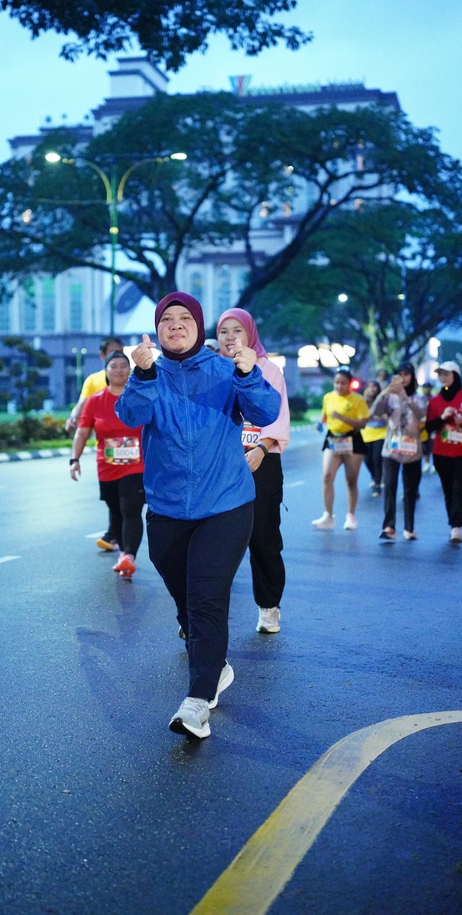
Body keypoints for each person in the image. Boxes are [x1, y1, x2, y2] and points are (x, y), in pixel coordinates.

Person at [116, 293, 280, 740]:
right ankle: (213, 660)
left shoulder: (226, 370)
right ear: (157, 330)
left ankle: (197, 701)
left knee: (206, 597)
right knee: (185, 597)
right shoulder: (150, 373)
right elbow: (130, 416)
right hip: (167, 507)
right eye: (166, 319)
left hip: (225, 503)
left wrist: (248, 374)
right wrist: (142, 374)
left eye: (184, 318)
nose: (175, 324)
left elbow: (267, 412)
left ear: (199, 325)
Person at [216, 308, 291, 635]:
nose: (230, 337)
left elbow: (278, 416)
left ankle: (269, 606)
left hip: (262, 462)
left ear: (250, 333)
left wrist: (261, 447)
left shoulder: (269, 370)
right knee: (214, 542)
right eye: (224, 331)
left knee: (263, 538)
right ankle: (199, 614)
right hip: (219, 466)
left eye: (237, 330)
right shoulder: (212, 369)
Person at [69, 351, 145, 579]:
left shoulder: (140, 397)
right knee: (116, 510)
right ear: (106, 371)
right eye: (114, 366)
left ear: (130, 371)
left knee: (130, 509)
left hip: (137, 466)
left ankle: (129, 555)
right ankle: (123, 553)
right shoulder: (95, 401)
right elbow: (82, 432)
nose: (119, 370)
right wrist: (74, 459)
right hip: (107, 467)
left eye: (123, 365)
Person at [66, 336, 124, 551]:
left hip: (135, 452)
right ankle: (115, 534)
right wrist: (73, 418)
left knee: (129, 498)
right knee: (114, 495)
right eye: (111, 353)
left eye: (120, 351)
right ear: (102, 356)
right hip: (107, 450)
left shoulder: (131, 377)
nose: (117, 363)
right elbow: (83, 404)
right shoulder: (94, 381)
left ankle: (119, 541)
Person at [425, 360, 462, 543]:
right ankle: (453, 523)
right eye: (440, 374)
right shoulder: (435, 400)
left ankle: (457, 525)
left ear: (456, 376)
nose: (443, 377)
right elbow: (429, 427)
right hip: (442, 451)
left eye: (446, 374)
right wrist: (442, 418)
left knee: (460, 487)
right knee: (449, 489)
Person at [370, 363, 427, 541]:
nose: (403, 378)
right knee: (390, 485)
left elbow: (422, 416)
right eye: (399, 374)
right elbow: (375, 413)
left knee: (410, 489)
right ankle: (389, 526)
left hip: (412, 449)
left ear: (412, 376)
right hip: (391, 448)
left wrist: (406, 398)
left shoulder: (419, 398)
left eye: (406, 374)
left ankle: (409, 528)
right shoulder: (389, 397)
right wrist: (383, 394)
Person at [312, 366, 370, 531]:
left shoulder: (358, 400)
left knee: (351, 480)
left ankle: (351, 515)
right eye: (336, 383)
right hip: (333, 439)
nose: (339, 386)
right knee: (327, 476)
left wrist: (342, 418)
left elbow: (363, 423)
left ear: (350, 383)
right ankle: (328, 515)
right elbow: (325, 415)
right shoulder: (328, 397)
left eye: (343, 383)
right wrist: (320, 423)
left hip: (352, 439)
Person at [361, 380, 386, 497]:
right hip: (367, 434)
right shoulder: (362, 401)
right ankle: (375, 475)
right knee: (367, 460)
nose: (372, 389)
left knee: (377, 459)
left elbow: (388, 415)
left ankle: (377, 484)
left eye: (375, 386)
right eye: (369, 386)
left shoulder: (383, 400)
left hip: (381, 433)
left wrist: (382, 416)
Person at [419, 382, 435, 472]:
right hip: (422, 424)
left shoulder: (434, 398)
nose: (427, 389)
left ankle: (433, 464)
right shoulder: (420, 398)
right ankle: (427, 463)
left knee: (432, 444)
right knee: (424, 444)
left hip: (432, 423)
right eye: (425, 387)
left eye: (428, 387)